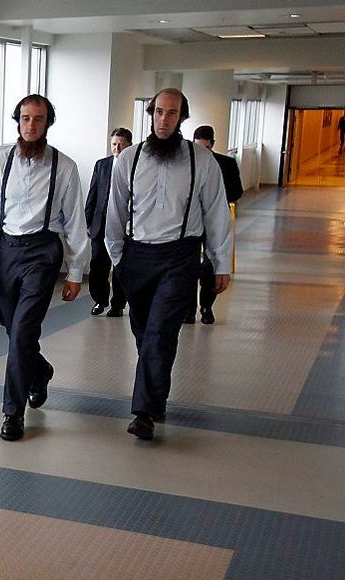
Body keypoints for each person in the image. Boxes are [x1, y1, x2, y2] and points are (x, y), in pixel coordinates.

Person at [105, 88, 232, 441]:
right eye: (159, 112)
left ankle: (143, 412)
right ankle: (155, 396)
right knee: (144, 332)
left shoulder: (201, 161)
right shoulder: (128, 159)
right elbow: (114, 213)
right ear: (151, 114)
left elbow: (217, 212)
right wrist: (118, 259)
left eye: (172, 113)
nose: (164, 119)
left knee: (161, 332)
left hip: (180, 256)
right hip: (137, 256)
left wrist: (220, 263)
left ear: (181, 117)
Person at [0, 94, 90, 442]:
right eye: (24, 118)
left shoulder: (63, 167)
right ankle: (40, 371)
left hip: (42, 252)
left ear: (48, 123)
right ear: (17, 121)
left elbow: (75, 223)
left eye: (38, 119)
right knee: (13, 329)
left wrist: (75, 271)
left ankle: (12, 413)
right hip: (7, 251)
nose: (31, 125)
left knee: (22, 332)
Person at [189, 124, 243, 325]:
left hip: (214, 220)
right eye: (198, 148)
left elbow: (237, 191)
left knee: (210, 266)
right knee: (187, 266)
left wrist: (216, 199)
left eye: (206, 148)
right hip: (191, 223)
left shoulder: (226, 164)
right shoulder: (186, 163)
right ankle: (188, 309)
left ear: (213, 145)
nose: (202, 152)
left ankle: (206, 307)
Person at [85, 128, 132, 317]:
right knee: (98, 265)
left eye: (121, 144)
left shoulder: (133, 166)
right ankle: (99, 300)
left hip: (123, 224)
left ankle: (118, 304)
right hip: (100, 223)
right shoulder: (102, 165)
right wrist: (87, 220)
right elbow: (93, 193)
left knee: (120, 265)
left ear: (129, 145)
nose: (117, 148)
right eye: (114, 144)